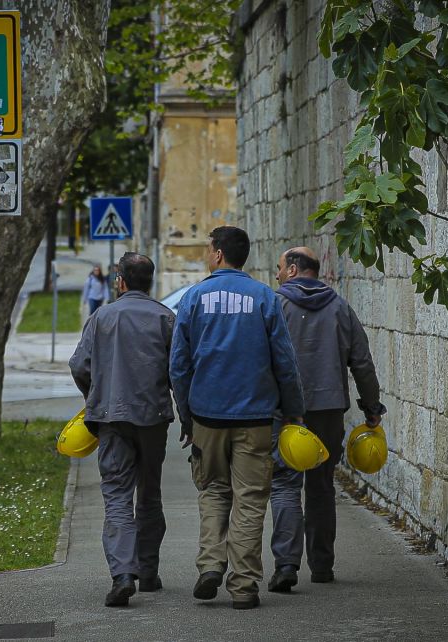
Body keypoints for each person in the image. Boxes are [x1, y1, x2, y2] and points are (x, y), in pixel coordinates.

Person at [170, 226, 305, 610]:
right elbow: (285, 362)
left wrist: (186, 416)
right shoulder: (265, 298)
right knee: (249, 499)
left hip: (207, 417)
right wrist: (293, 412)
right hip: (256, 418)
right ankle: (244, 586)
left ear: (217, 254)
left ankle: (211, 564)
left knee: (213, 490)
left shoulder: (193, 298)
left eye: (207, 248)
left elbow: (178, 365)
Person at [267, 246, 385, 592]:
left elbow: (262, 358)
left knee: (285, 484)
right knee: (321, 487)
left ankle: (286, 565)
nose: (276, 275)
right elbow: (362, 362)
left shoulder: (276, 306)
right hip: (330, 410)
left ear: (292, 269)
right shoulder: (339, 308)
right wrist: (372, 407)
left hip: (286, 412)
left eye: (279, 268)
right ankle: (321, 566)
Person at [69, 252, 176, 607]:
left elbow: (80, 365)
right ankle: (148, 572)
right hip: (154, 418)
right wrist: (187, 417)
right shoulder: (165, 317)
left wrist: (95, 397)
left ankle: (122, 574)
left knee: (116, 493)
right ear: (150, 281)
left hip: (112, 418)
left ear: (121, 281)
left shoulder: (101, 317)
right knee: (149, 493)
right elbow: (181, 372)